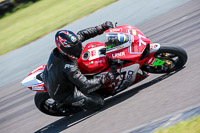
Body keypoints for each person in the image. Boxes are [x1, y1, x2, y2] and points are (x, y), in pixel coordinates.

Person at [43, 21, 117, 111]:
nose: (77, 48)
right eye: (73, 48)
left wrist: (101, 28)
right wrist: (105, 79)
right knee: (99, 102)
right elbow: (86, 85)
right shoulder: (68, 67)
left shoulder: (70, 44)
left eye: (77, 44)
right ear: (63, 49)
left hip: (55, 75)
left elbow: (83, 34)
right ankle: (66, 103)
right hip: (65, 92)